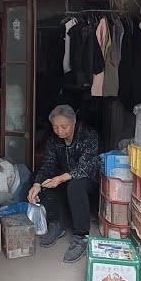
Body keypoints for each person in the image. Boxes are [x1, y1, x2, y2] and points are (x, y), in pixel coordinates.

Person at [27, 105, 100, 263]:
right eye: (55, 127)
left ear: (74, 122)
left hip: (85, 179)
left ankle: (81, 236)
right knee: (40, 180)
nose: (59, 131)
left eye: (63, 127)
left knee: (75, 186)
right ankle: (56, 223)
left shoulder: (88, 135)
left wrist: (60, 178)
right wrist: (37, 184)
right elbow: (48, 164)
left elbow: (85, 167)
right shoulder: (54, 139)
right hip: (63, 176)